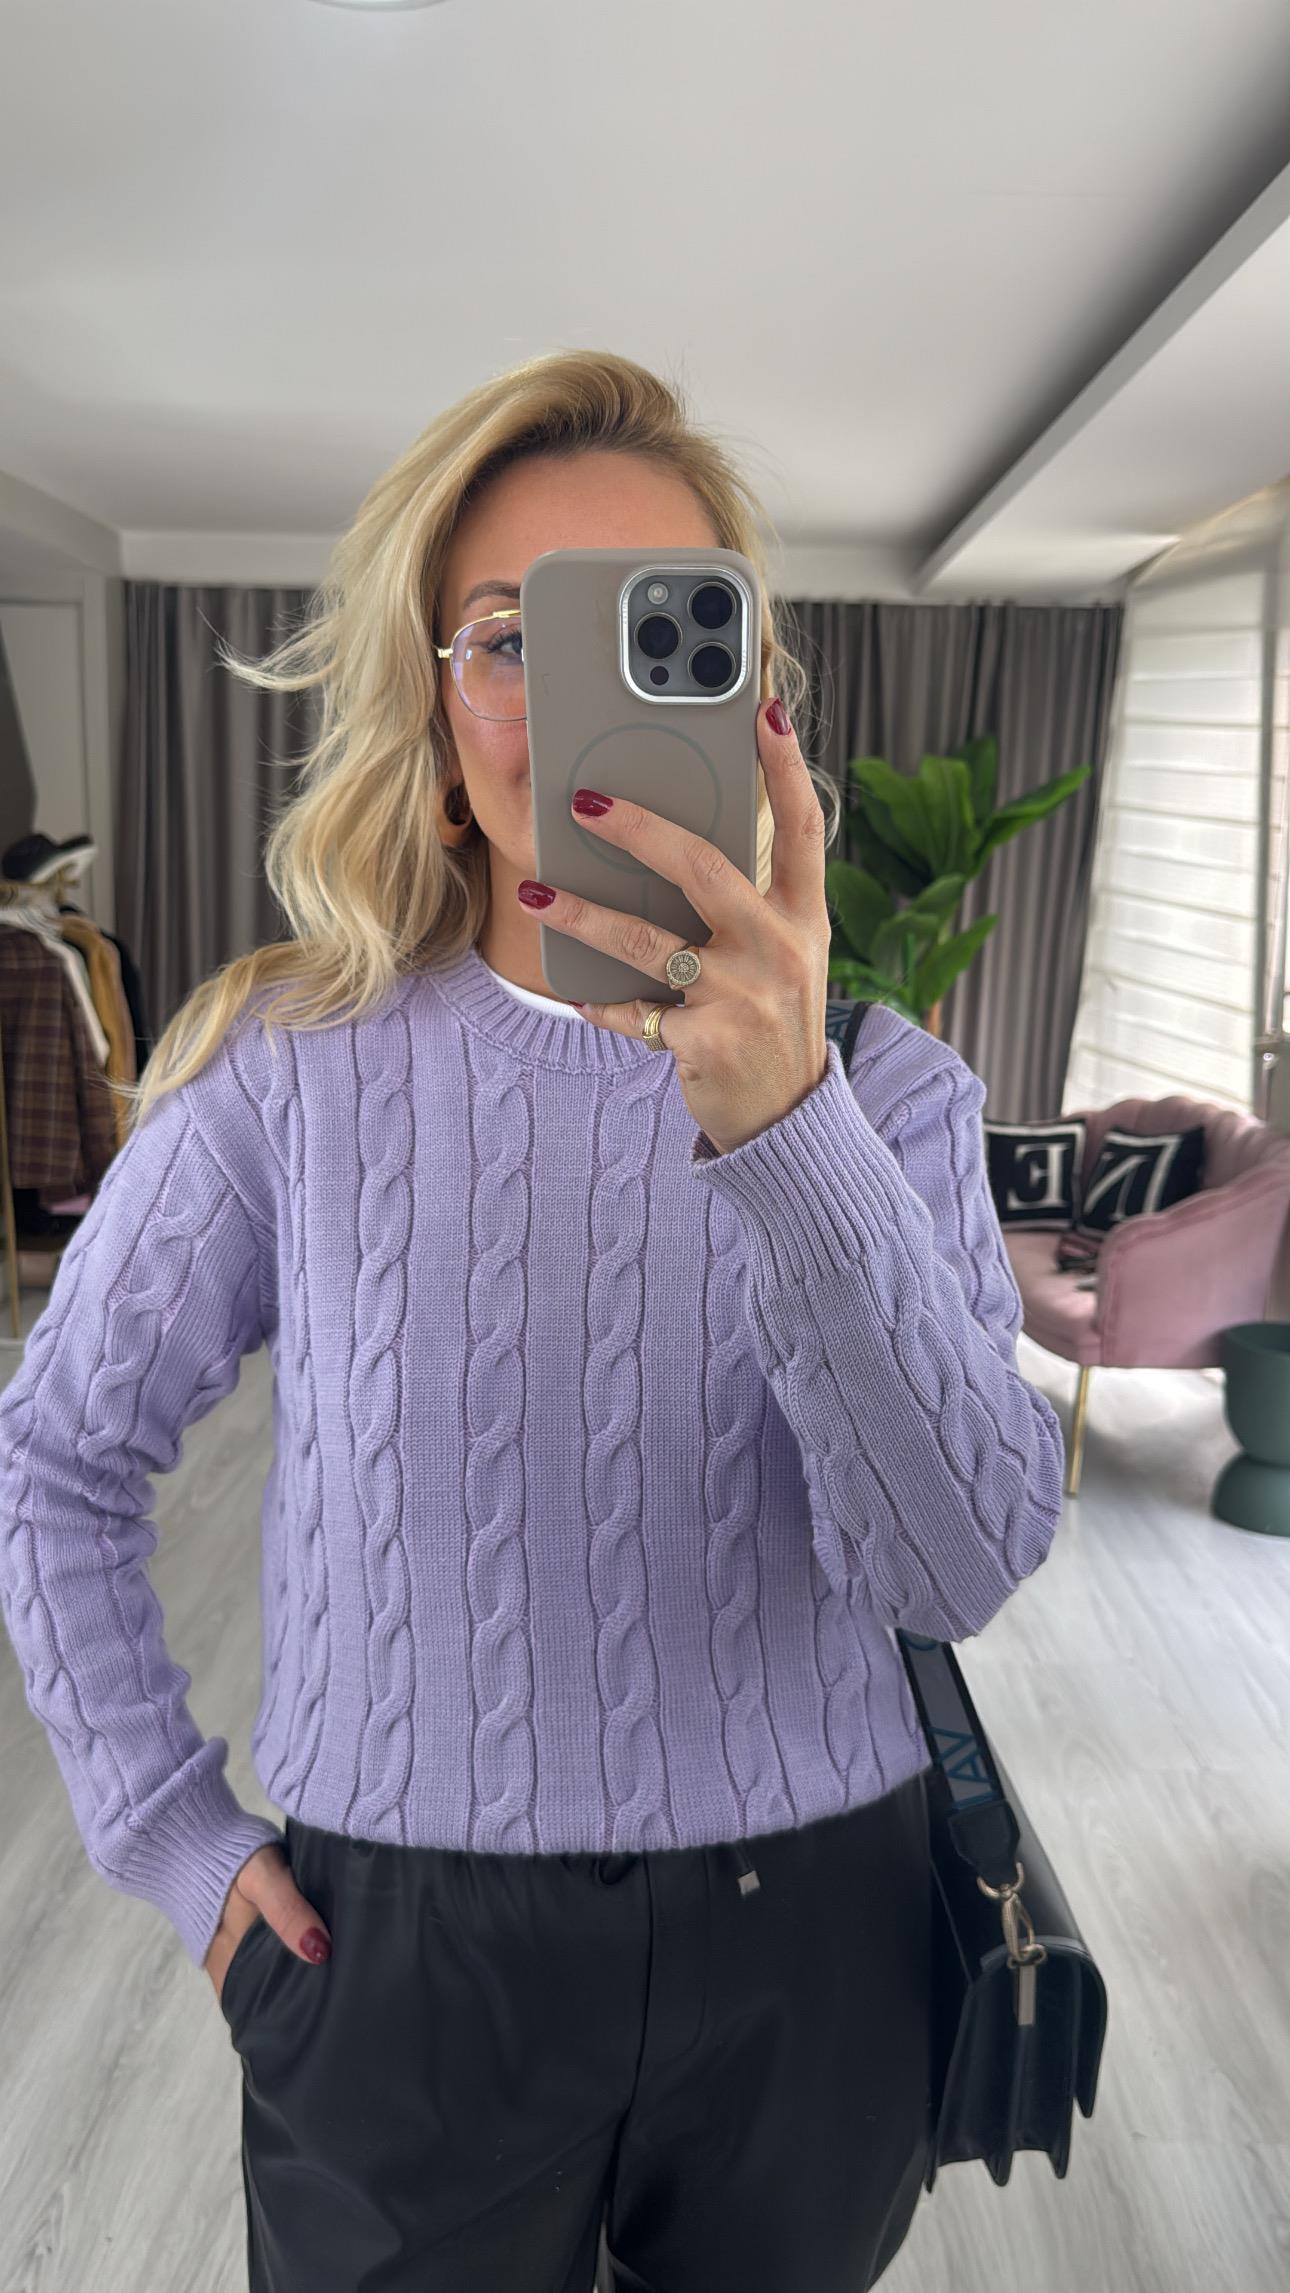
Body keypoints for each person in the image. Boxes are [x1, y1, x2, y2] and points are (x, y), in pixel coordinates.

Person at [0, 348, 1066, 2293]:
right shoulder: (284, 1072)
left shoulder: (890, 1095)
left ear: (753, 700)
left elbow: (956, 1563)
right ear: (430, 701)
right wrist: (169, 1833)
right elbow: (58, 1453)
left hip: (820, 1944)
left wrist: (789, 1130)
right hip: (400, 1959)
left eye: (665, 632)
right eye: (511, 637)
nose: (581, 703)